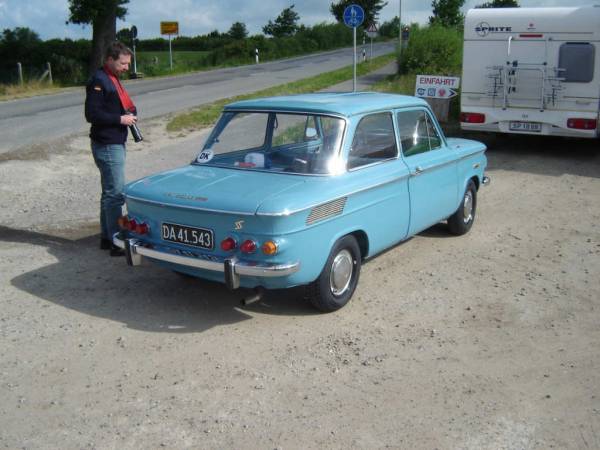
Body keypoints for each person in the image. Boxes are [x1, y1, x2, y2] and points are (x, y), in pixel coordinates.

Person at [85, 41, 138, 257]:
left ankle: (108, 238)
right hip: (107, 143)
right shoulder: (99, 80)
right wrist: (121, 118)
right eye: (123, 63)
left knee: (109, 192)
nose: (127, 68)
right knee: (115, 194)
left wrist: (130, 113)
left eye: (128, 64)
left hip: (114, 141)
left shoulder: (112, 78)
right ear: (110, 60)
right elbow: (92, 115)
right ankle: (117, 241)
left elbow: (120, 104)